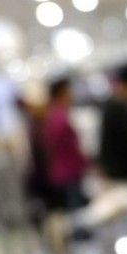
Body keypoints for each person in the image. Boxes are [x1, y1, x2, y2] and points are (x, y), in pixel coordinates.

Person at [43, 77, 88, 213]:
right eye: (69, 91)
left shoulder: (54, 115)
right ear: (61, 93)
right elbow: (69, 148)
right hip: (69, 172)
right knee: (77, 214)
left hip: (66, 171)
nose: (72, 94)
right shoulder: (59, 117)